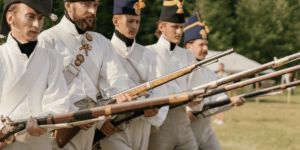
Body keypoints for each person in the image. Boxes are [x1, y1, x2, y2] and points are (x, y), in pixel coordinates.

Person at [38, 0, 133, 149]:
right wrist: (74, 115)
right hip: (59, 128)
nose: (92, 11)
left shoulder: (101, 42)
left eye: (95, 5)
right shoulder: (47, 40)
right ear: (68, 5)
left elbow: (117, 81)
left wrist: (123, 97)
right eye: (86, 4)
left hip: (90, 127)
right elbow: (39, 92)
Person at [0, 0, 70, 149]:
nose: (37, 25)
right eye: (30, 17)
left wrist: (43, 122)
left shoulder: (52, 58)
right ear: (10, 18)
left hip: (42, 142)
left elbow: (59, 101)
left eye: (40, 18)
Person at [99, 1, 169, 149]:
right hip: (113, 127)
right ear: (115, 21)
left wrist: (154, 108)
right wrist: (99, 123)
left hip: (142, 125)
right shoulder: (102, 51)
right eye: (130, 21)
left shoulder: (149, 55)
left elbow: (160, 89)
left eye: (137, 21)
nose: (134, 26)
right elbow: (94, 90)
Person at [184, 12, 246, 150]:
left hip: (205, 130)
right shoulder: (177, 71)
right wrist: (184, 111)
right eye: (201, 45)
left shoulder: (208, 73)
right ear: (189, 46)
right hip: (183, 132)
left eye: (206, 44)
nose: (206, 49)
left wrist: (231, 101)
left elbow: (218, 97)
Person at [146, 0, 201, 150]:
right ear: (161, 27)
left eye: (181, 27)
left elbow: (195, 86)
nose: (178, 32)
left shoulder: (188, 55)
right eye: (174, 27)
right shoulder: (147, 52)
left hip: (183, 119)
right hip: (160, 120)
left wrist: (195, 97)